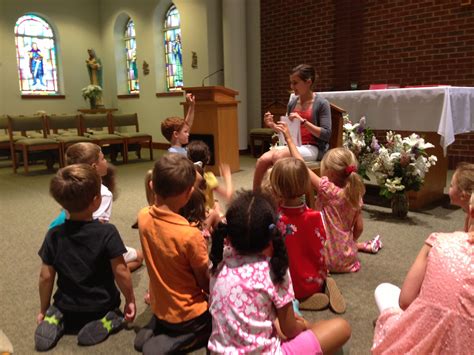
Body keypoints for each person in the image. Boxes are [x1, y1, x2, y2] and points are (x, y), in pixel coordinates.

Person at [208, 190, 351, 354]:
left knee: (281, 321)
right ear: (271, 237)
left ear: (228, 237)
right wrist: (303, 325)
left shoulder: (218, 261)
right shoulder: (273, 269)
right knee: (341, 327)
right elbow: (290, 330)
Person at [35, 164, 136, 351]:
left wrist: (43, 308)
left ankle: (54, 316)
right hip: (101, 306)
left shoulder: (54, 235)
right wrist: (130, 299)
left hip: (66, 305)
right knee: (114, 311)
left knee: (58, 309)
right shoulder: (107, 232)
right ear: (96, 201)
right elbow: (121, 271)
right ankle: (109, 320)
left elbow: (46, 277)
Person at [372, 191, 474, 354]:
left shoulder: (438, 241)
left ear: (471, 211)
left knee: (384, 290)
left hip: (417, 344)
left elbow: (405, 301)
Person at [277, 122, 382, 273]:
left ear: (330, 173)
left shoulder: (328, 190)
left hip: (324, 259)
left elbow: (301, 165)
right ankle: (358, 247)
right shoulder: (355, 193)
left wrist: (289, 139)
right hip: (347, 259)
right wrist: (351, 242)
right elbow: (359, 228)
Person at [135, 153, 211, 354]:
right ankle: (183, 338)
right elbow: (204, 281)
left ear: (152, 186)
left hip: (160, 307)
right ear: (188, 194)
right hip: (189, 317)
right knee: (220, 316)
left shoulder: (143, 217)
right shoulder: (190, 235)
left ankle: (159, 325)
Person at [49, 142, 143, 272]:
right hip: (89, 247)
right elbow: (97, 230)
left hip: (66, 241)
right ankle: (103, 271)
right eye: (103, 158)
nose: (106, 161)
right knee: (139, 256)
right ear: (94, 167)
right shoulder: (103, 194)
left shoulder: (68, 186)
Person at [270, 157, 346, 314]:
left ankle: (292, 300)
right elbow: (323, 247)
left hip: (286, 285)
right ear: (306, 186)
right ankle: (324, 282)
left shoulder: (274, 220)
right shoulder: (317, 216)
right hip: (313, 281)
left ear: (275, 187)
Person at [253, 64, 332, 191]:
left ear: (308, 82)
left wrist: (303, 121)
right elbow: (286, 131)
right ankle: (256, 199)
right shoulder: (293, 103)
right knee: (262, 160)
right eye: (291, 83)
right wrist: (272, 125)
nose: (291, 87)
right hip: (292, 144)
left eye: (295, 83)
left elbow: (326, 134)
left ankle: (282, 199)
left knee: (279, 156)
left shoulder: (322, 103)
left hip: (312, 147)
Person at [187, 140, 233, 212]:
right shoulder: (209, 178)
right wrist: (228, 177)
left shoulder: (184, 177)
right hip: (207, 216)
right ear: (208, 159)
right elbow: (228, 195)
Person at [448, 162, 474, 231]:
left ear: (463, 195)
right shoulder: (469, 214)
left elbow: (470, 240)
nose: (449, 187)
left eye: (451, 185)